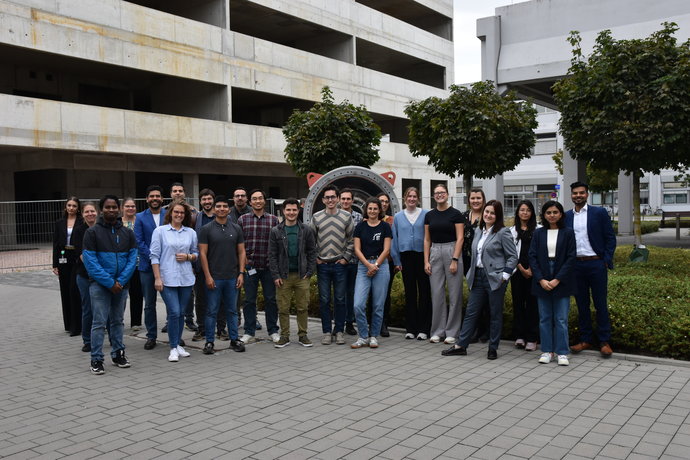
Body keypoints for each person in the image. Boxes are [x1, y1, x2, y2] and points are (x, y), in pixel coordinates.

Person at [442, 200, 518, 360]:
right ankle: (461, 345)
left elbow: (512, 257)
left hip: (495, 278)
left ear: (497, 216)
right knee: (471, 312)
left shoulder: (503, 232)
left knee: (495, 314)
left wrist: (504, 275)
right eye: (487, 212)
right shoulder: (478, 231)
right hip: (477, 276)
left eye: (492, 213)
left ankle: (493, 348)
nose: (488, 215)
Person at [82, 195, 137, 375]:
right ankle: (96, 359)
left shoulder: (128, 233)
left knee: (118, 321)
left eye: (114, 207)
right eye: (108, 207)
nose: (111, 210)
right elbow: (91, 263)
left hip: (121, 286)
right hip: (99, 286)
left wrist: (120, 282)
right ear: (101, 210)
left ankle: (118, 354)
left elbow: (132, 258)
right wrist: (109, 282)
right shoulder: (92, 233)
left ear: (119, 209)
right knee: (98, 323)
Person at [565, 181, 617, 357]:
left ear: (587, 194)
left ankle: (604, 341)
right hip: (576, 266)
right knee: (582, 305)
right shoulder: (566, 216)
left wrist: (606, 260)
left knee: (600, 303)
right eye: (575, 193)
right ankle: (585, 340)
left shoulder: (599, 213)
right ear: (571, 195)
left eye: (581, 193)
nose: (578, 196)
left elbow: (610, 238)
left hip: (596, 264)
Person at [529, 201, 576, 366]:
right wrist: (541, 279)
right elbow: (532, 257)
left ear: (561, 214)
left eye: (555, 212)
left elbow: (571, 258)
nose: (552, 215)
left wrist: (557, 280)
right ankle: (547, 351)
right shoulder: (538, 233)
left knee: (561, 318)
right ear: (544, 215)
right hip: (542, 276)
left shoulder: (568, 233)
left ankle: (562, 352)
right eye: (548, 212)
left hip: (561, 277)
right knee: (545, 318)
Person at [150, 202, 198, 362]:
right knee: (174, 312)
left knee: (182, 313)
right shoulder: (160, 231)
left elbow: (195, 252)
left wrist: (189, 257)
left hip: (185, 278)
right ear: (170, 213)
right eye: (176, 212)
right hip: (167, 278)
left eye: (182, 213)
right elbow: (154, 256)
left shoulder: (190, 232)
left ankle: (178, 345)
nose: (179, 215)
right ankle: (172, 347)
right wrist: (157, 278)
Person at [198, 195, 246, 355]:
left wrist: (241, 273)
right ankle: (209, 342)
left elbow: (241, 252)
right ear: (214, 208)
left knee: (232, 310)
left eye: (224, 206)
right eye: (218, 206)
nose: (221, 209)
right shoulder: (206, 229)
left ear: (228, 209)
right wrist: (208, 276)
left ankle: (234, 339)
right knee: (211, 310)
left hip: (232, 277)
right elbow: (203, 254)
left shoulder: (236, 228)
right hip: (214, 278)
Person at [268, 198, 317, 348]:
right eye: (288, 210)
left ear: (298, 211)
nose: (291, 213)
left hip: (302, 275)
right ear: (283, 211)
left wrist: (309, 271)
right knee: (283, 308)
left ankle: (303, 335)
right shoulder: (276, 231)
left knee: (303, 307)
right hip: (284, 276)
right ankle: (284, 336)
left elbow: (312, 252)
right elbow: (272, 255)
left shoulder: (306, 230)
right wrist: (276, 275)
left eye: (294, 210)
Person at [310, 185, 354, 345]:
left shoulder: (346, 217)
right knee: (324, 299)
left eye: (332, 197)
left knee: (340, 299)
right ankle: (327, 332)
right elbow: (311, 241)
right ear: (323, 200)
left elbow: (351, 239)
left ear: (337, 199)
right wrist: (316, 258)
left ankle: (339, 331)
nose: (330, 200)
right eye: (327, 197)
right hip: (322, 266)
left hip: (340, 265)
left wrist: (345, 258)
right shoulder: (316, 217)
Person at [237, 189, 280, 343]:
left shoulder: (274, 220)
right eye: (254, 199)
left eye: (260, 198)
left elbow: (278, 244)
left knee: (271, 300)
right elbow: (239, 244)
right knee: (249, 300)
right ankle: (249, 331)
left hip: (269, 267)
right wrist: (243, 261)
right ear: (250, 202)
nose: (257, 201)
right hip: (250, 267)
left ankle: (273, 330)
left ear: (264, 201)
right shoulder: (243, 220)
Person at [424, 183, 465, 344]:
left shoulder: (456, 214)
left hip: (452, 250)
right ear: (434, 196)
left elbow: (460, 237)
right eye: (436, 193)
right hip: (434, 251)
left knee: (455, 294)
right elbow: (427, 239)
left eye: (442, 192)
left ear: (447, 194)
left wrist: (455, 259)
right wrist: (426, 260)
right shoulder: (430, 215)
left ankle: (452, 331)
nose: (439, 195)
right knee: (437, 293)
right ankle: (437, 331)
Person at [351, 197, 392, 349]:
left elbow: (387, 249)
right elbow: (356, 249)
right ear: (366, 210)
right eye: (370, 208)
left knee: (378, 305)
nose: (373, 211)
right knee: (358, 304)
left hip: (381, 267)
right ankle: (363, 336)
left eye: (375, 208)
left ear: (380, 210)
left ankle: (373, 336)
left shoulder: (385, 227)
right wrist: (368, 265)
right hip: (363, 267)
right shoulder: (360, 227)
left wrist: (375, 265)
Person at [391, 187, 431, 340]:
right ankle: (411, 328)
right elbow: (394, 239)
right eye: (409, 196)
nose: (412, 199)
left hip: (423, 256)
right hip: (406, 257)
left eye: (415, 196)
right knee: (410, 293)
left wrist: (429, 259)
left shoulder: (426, 214)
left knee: (424, 292)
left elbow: (430, 236)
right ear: (405, 198)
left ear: (418, 198)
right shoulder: (398, 217)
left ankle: (424, 328)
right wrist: (396, 260)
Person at [192, 189, 228, 342]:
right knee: (201, 299)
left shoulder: (224, 218)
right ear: (200, 202)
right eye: (204, 199)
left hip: (220, 266)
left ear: (213, 201)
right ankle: (202, 329)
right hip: (201, 266)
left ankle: (221, 329)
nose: (207, 202)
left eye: (209, 199)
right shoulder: (195, 219)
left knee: (221, 299)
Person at [134, 185, 166, 350]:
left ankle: (174, 334)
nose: (155, 198)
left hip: (167, 268)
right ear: (147, 199)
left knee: (171, 302)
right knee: (149, 304)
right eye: (151, 196)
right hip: (147, 267)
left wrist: (163, 260)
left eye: (157, 196)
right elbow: (139, 242)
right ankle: (151, 336)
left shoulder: (168, 214)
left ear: (162, 198)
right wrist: (155, 258)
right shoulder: (140, 217)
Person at [163, 182, 198, 332]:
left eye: (180, 191)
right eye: (175, 191)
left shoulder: (194, 212)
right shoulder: (165, 211)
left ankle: (188, 319)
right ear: (171, 194)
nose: (178, 193)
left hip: (187, 263)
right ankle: (170, 321)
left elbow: (195, 243)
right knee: (171, 299)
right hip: (168, 264)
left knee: (188, 294)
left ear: (184, 193)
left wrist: (190, 257)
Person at [510, 200, 540, 351]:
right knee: (518, 304)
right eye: (522, 210)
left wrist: (532, 270)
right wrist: (521, 268)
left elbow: (542, 253)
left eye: (528, 210)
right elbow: (510, 253)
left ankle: (532, 338)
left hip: (535, 273)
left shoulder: (539, 229)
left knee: (532, 305)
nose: (525, 213)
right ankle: (519, 336)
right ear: (518, 212)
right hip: (517, 272)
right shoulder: (511, 231)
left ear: (532, 213)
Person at [52, 196, 83, 335]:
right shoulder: (59, 222)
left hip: (76, 257)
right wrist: (55, 263)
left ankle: (77, 323)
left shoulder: (81, 222)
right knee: (65, 291)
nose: (71, 208)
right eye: (69, 205)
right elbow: (55, 244)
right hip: (63, 257)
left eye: (74, 206)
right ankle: (68, 324)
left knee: (75, 290)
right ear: (65, 207)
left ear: (78, 208)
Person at [462, 188, 489, 343]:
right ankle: (474, 329)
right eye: (473, 198)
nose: (475, 201)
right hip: (467, 260)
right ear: (469, 200)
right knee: (473, 297)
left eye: (478, 198)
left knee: (485, 297)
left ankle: (484, 331)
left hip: (483, 261)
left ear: (483, 199)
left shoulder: (488, 215)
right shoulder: (464, 216)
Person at [72, 202, 98, 352]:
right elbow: (81, 255)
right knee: (88, 308)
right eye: (87, 212)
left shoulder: (101, 228)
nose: (90, 214)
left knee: (103, 309)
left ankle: (112, 339)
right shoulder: (78, 231)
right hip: (84, 276)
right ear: (82, 214)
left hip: (101, 275)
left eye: (92, 211)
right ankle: (87, 340)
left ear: (97, 212)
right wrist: (95, 270)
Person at [339, 188, 362, 336]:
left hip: (354, 262)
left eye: (348, 199)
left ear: (352, 201)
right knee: (339, 295)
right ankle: (339, 324)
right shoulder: (334, 215)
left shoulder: (359, 217)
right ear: (339, 200)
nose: (346, 201)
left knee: (351, 293)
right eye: (343, 199)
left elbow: (357, 239)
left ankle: (349, 323)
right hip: (338, 262)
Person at [121, 197, 143, 331]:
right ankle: (117, 321)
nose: (130, 208)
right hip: (122, 264)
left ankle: (136, 322)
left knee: (137, 293)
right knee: (120, 295)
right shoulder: (118, 223)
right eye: (127, 206)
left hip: (138, 263)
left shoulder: (139, 222)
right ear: (122, 208)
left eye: (133, 206)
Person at [376, 192, 395, 337]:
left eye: (386, 201)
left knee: (385, 294)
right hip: (370, 262)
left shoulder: (392, 221)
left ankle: (383, 323)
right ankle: (373, 323)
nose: (384, 203)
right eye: (381, 201)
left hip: (388, 262)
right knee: (371, 294)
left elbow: (396, 242)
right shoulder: (366, 220)